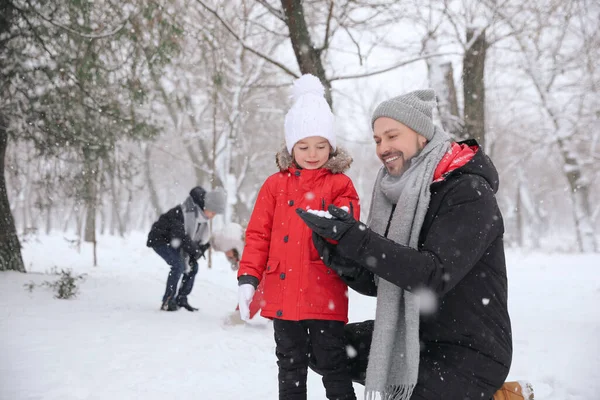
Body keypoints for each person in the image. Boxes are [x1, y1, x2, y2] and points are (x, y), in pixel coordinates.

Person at [296, 89, 513, 400]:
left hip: (469, 351)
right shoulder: (398, 193)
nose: (383, 147)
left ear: (421, 136)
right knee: (322, 346)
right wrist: (336, 251)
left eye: (392, 135)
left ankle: (497, 394)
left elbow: (433, 276)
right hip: (412, 335)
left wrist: (355, 238)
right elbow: (381, 280)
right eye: (377, 140)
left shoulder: (468, 192)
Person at [237, 74, 360, 400]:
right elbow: (258, 235)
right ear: (291, 146)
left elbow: (348, 228)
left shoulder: (339, 185)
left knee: (333, 364)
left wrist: (336, 222)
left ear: (331, 146)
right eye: (303, 146)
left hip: (324, 292)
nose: (312, 153)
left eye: (321, 145)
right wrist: (248, 278)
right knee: (290, 366)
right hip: (282, 293)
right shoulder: (275, 185)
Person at [147, 186, 226, 312]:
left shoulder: (201, 218)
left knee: (193, 267)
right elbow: (179, 236)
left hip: (176, 242)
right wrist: (194, 251)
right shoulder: (185, 212)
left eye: (215, 213)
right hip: (160, 240)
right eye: (212, 212)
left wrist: (202, 248)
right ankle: (167, 301)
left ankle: (181, 299)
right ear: (206, 207)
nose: (213, 215)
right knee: (178, 265)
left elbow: (193, 239)